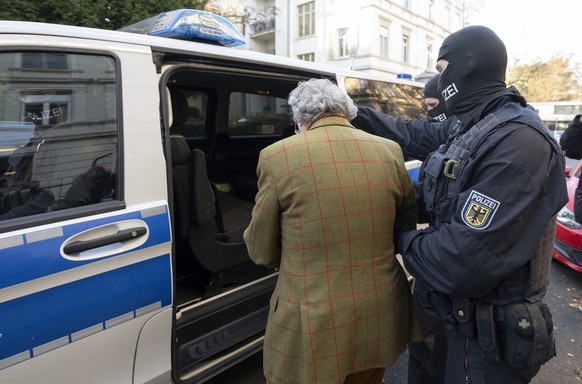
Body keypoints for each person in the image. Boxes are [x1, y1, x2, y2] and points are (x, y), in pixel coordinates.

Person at [362, 25, 567, 384]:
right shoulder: (472, 126)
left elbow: (462, 260)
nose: (439, 85)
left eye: (442, 70)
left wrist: (399, 236)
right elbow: (411, 134)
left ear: (468, 66)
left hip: (489, 338)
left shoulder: (519, 143)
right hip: (453, 318)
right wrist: (352, 113)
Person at [243, 78, 422, 384]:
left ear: (300, 119)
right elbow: (402, 227)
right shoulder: (390, 150)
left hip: (313, 322)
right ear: (347, 112)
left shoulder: (277, 156)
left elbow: (261, 251)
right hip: (380, 309)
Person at [354, 73, 457, 384]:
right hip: (432, 279)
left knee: (438, 357)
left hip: (447, 276)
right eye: (425, 106)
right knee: (423, 355)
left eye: (433, 105)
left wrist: (402, 236)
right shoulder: (450, 134)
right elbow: (406, 133)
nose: (429, 113)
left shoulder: (474, 138)